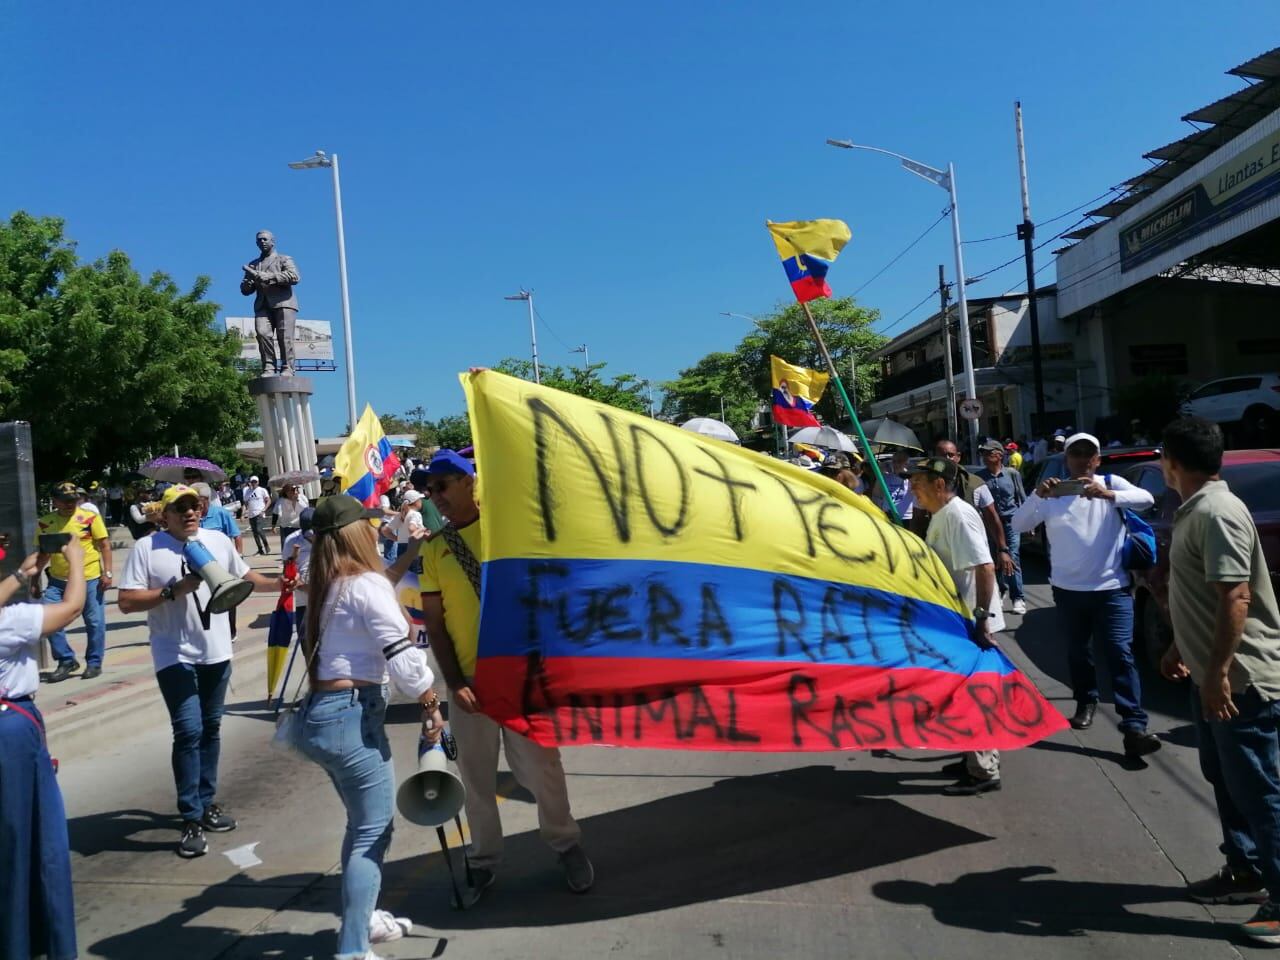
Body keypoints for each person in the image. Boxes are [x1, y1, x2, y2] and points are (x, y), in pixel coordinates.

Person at [416, 449, 594, 899]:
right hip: (471, 689)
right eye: (429, 489)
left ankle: (566, 843)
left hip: (524, 680)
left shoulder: (508, 534)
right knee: (476, 781)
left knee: (544, 768)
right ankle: (483, 859)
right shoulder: (436, 549)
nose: (434, 496)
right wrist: (455, 682)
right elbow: (434, 624)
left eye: (442, 485)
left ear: (470, 482)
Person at [295, 495, 439, 958]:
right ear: (355, 532)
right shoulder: (365, 584)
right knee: (373, 832)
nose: (378, 529)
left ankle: (365, 919)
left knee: (361, 827)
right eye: (370, 524)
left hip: (324, 716)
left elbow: (380, 593)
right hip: (352, 716)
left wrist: (410, 551)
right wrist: (429, 700)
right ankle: (353, 948)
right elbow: (400, 654)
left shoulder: (329, 583)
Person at [1156, 417, 1280, 942]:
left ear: (1173, 462)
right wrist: (1178, 646)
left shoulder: (1216, 512)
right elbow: (1204, 598)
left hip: (1240, 682)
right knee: (1226, 778)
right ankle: (1245, 871)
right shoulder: (1195, 510)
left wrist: (1219, 675)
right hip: (1211, 676)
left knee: (1258, 789)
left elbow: (1236, 597)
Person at [118, 484, 284, 857]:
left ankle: (207, 802)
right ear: (165, 514)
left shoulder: (217, 540)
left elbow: (245, 577)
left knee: (211, 728)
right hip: (173, 653)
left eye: (195, 506)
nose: (190, 512)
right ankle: (190, 815)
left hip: (217, 651)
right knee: (188, 729)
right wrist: (171, 591)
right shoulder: (147, 548)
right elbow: (127, 601)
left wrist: (280, 584)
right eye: (181, 508)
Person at [1011, 432, 1162, 759]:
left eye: (1087, 454)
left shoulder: (1112, 483)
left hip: (1112, 589)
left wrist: (1109, 495)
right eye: (1075, 454)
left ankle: (1134, 725)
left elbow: (1147, 499)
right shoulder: (1053, 496)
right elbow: (1020, 524)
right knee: (1079, 653)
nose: (1081, 459)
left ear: (1097, 459)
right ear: (1067, 460)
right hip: (1068, 591)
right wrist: (1038, 496)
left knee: (1120, 653)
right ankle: (1086, 700)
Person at [0, 537, 86, 960]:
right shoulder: (9, 621)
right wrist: (75, 563)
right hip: (11, 731)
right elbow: (70, 609)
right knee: (34, 844)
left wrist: (22, 575)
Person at [907, 455, 1004, 794]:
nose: (911, 490)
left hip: (972, 621)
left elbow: (985, 567)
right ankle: (971, 758)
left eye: (917, 484)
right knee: (961, 695)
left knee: (975, 696)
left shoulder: (958, 516)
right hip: (958, 618)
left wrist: (981, 620)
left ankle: (984, 771)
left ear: (938, 485)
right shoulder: (941, 514)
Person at [33, 481, 113, 682]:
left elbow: (104, 545)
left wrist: (108, 573)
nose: (70, 503)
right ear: (55, 502)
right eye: (65, 500)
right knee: (47, 619)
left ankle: (94, 663)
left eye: (74, 499)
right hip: (58, 580)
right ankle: (66, 660)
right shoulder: (44, 523)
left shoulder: (89, 518)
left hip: (90, 578)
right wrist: (34, 580)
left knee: (94, 622)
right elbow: (42, 555)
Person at [976, 440, 1028, 615]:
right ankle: (1001, 589)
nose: (984, 457)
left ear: (999, 455)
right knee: (994, 558)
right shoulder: (980, 477)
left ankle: (1018, 597)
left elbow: (1021, 497)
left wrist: (1027, 520)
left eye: (988, 453)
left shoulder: (1012, 474)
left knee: (1012, 557)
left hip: (1011, 521)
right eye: (983, 454)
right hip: (990, 524)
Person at [241, 229, 301, 376]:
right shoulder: (253, 264)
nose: (262, 242)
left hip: (283, 304)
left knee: (284, 336)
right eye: (259, 240)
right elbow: (245, 290)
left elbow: (294, 277)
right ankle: (268, 366)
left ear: (272, 242)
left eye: (265, 239)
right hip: (263, 305)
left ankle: (287, 367)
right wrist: (248, 284)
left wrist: (269, 277)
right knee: (262, 334)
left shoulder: (284, 259)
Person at [195, 482, 244, 641]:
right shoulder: (192, 517)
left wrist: (238, 555)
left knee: (228, 596)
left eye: (200, 501)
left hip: (223, 565)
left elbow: (236, 535)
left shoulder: (221, 514)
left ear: (207, 500)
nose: (198, 505)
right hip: (200, 566)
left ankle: (231, 630)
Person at [282, 507, 315, 647]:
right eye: (308, 534)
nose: (312, 536)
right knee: (307, 645)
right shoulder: (291, 541)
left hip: (326, 601)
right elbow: (287, 572)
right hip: (304, 602)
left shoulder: (330, 538)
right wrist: (292, 560)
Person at [381, 490, 425, 559]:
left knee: (402, 567)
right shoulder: (416, 514)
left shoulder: (401, 515)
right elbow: (411, 528)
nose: (421, 501)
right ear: (416, 502)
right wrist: (422, 531)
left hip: (401, 546)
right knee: (412, 569)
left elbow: (385, 531)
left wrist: (398, 539)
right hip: (412, 547)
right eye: (420, 500)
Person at [272, 483, 310, 555]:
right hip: (287, 526)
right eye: (292, 490)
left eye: (295, 490)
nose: (294, 492)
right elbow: (275, 513)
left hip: (299, 526)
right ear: (286, 492)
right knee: (287, 545)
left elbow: (306, 509)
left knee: (300, 545)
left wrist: (297, 500)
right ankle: (286, 561)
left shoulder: (302, 498)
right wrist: (273, 526)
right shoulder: (281, 501)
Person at [242, 476, 273, 556]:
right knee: (255, 533)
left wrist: (264, 509)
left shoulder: (262, 490)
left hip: (259, 513)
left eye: (255, 482)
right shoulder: (247, 492)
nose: (254, 483)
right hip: (251, 514)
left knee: (259, 530)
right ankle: (260, 549)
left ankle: (266, 546)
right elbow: (245, 503)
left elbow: (268, 500)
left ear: (258, 482)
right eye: (252, 482)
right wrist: (243, 513)